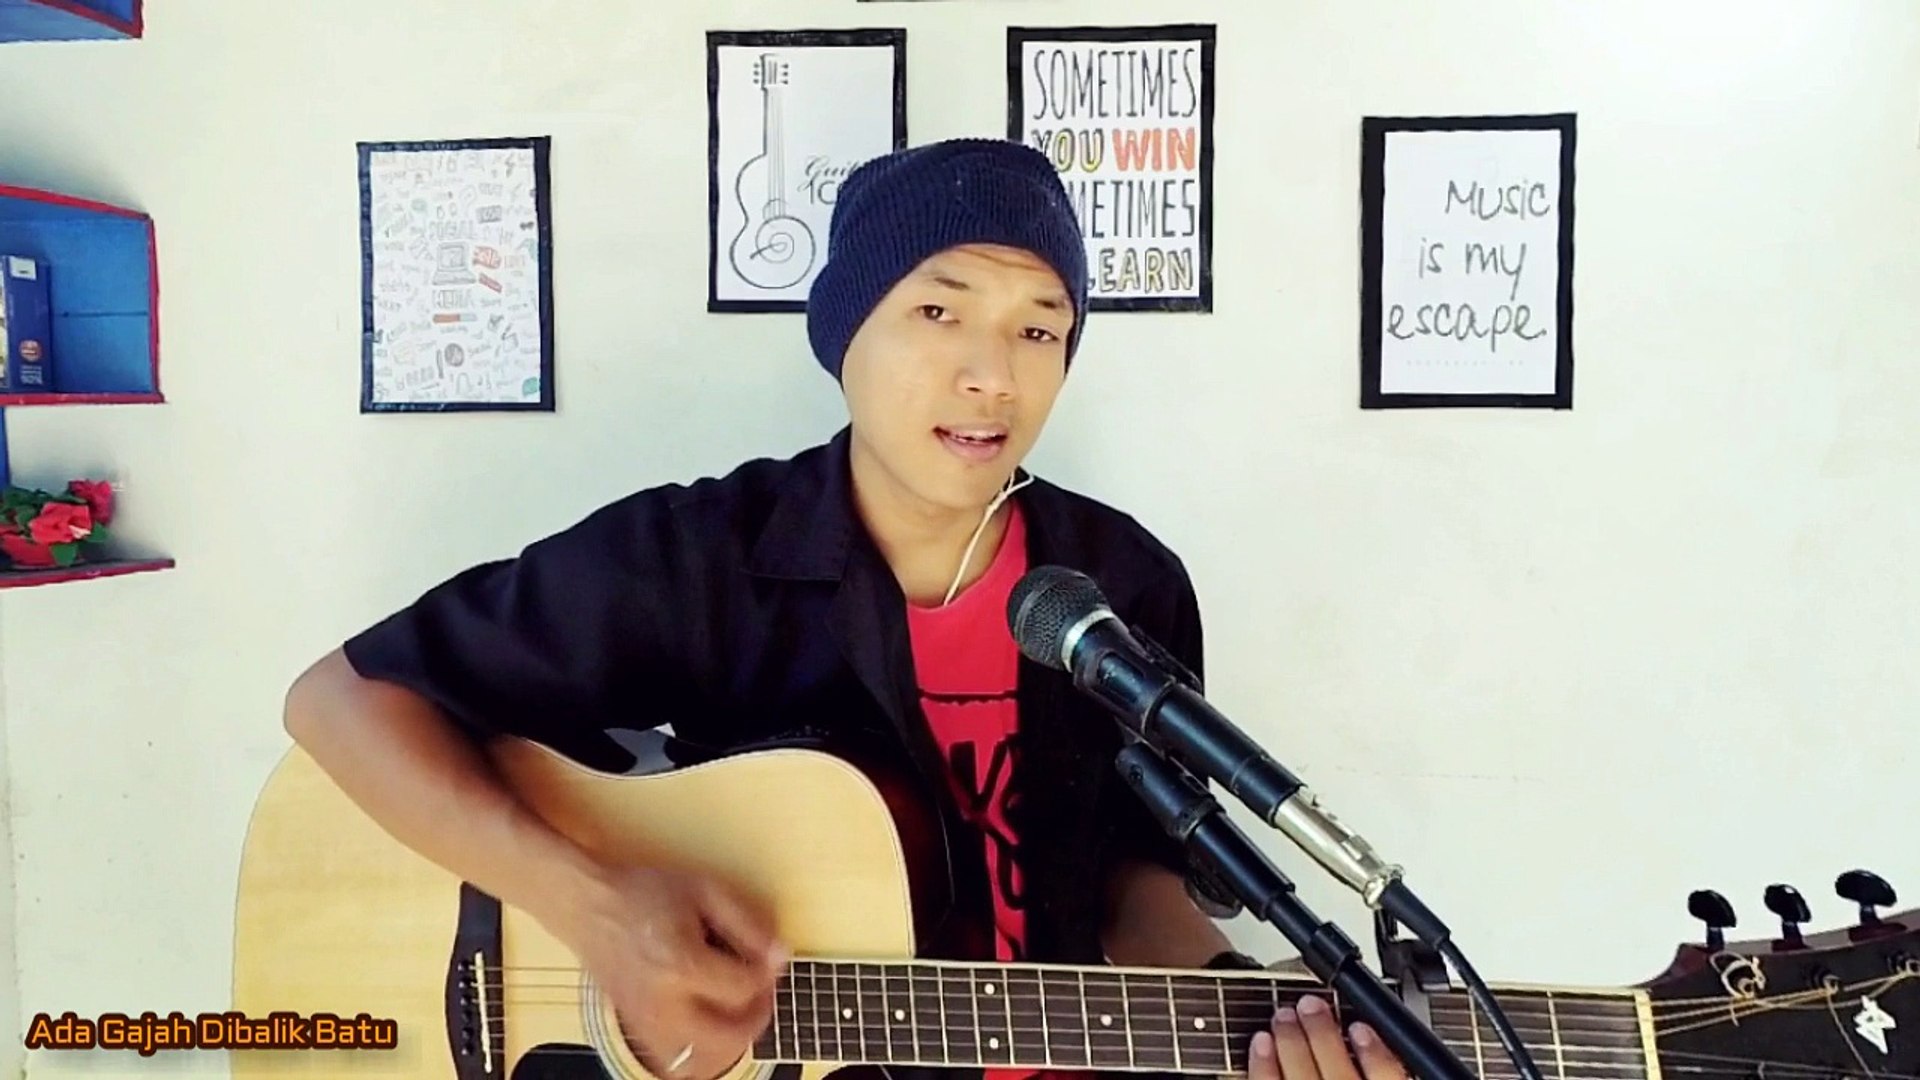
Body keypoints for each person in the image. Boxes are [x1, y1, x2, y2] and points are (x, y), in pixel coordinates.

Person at [283, 137, 1406, 1080]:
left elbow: (1128, 869)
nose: (992, 374)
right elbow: (337, 703)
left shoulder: (1122, 582)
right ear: (844, 335)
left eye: (1039, 328)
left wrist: (1249, 1012)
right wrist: (593, 909)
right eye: (938, 309)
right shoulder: (704, 559)